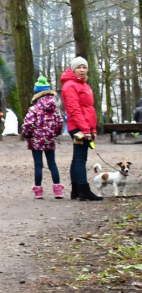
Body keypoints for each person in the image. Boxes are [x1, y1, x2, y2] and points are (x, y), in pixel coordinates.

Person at [61, 57, 102, 202]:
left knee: (78, 158)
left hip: (85, 126)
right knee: (80, 158)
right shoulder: (70, 86)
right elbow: (74, 109)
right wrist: (85, 129)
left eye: (84, 67)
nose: (82, 70)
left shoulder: (85, 86)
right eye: (79, 67)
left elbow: (89, 110)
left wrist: (93, 130)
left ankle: (76, 190)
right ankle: (83, 189)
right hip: (77, 127)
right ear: (73, 69)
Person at [21, 76, 64, 199]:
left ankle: (38, 191)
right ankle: (57, 190)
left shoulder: (34, 108)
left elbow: (28, 124)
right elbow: (60, 123)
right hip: (49, 139)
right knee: (52, 164)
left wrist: (27, 134)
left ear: (36, 93)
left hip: (36, 140)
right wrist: (55, 133)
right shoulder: (55, 109)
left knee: (38, 165)